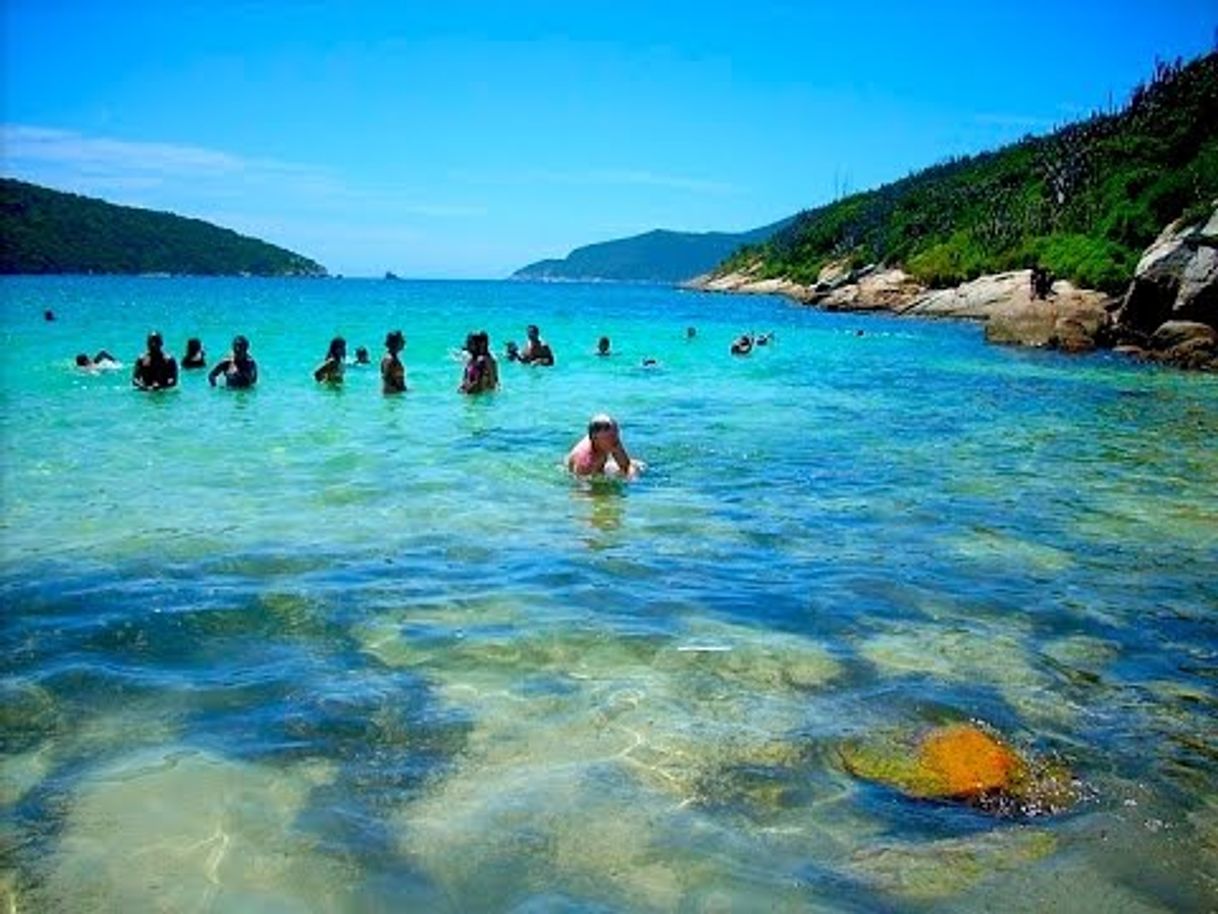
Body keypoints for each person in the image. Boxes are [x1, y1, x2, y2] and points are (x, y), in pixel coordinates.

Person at [566, 413, 635, 478]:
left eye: (616, 434)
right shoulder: (585, 463)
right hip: (583, 474)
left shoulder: (612, 440)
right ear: (594, 438)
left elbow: (625, 466)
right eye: (610, 437)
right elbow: (581, 488)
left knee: (638, 466)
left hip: (600, 466)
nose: (615, 441)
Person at [381, 329, 407, 394]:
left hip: (388, 396)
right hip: (394, 397)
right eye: (402, 340)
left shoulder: (385, 359)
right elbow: (399, 385)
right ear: (396, 343)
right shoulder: (393, 361)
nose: (404, 342)